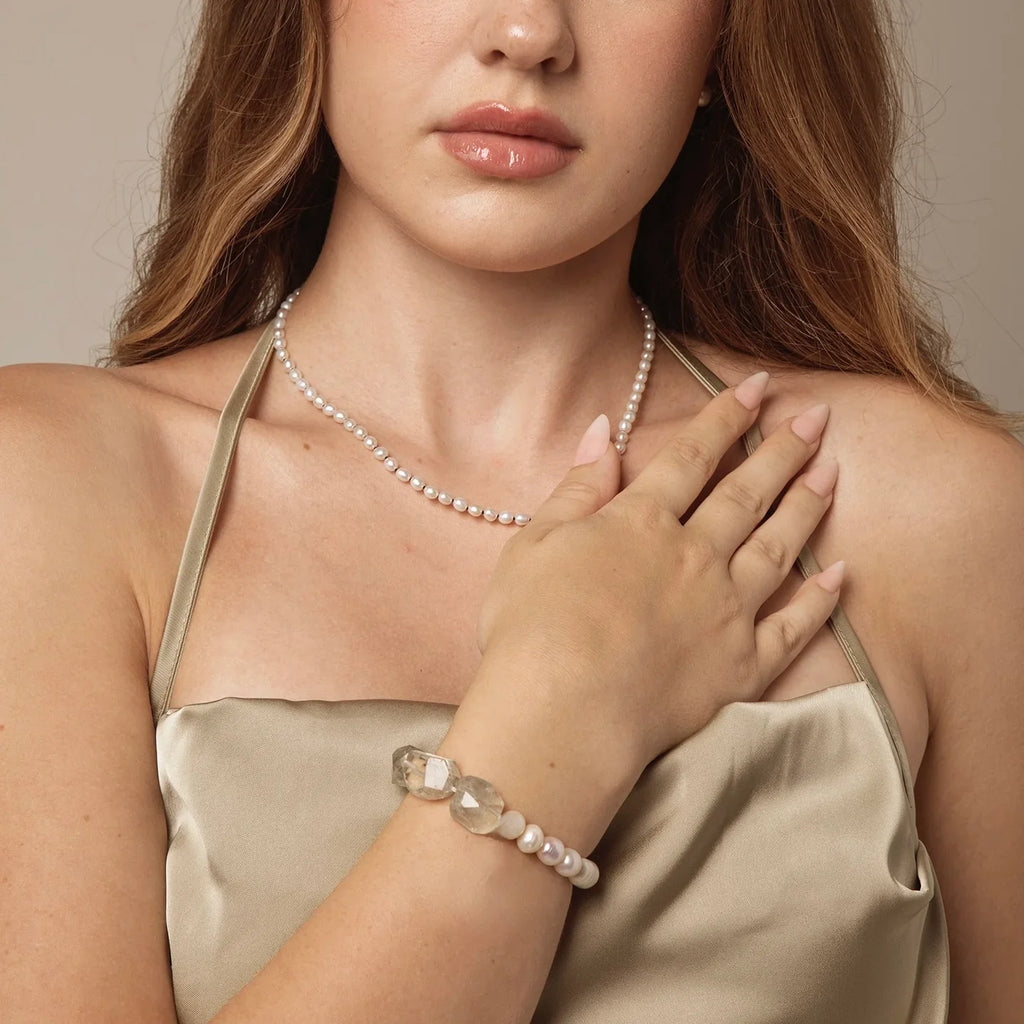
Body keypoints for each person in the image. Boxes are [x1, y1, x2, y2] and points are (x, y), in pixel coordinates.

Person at [1, 0, 1022, 1021]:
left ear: (724, 40)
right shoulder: (54, 486)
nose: (529, 35)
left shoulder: (936, 511)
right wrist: (560, 714)